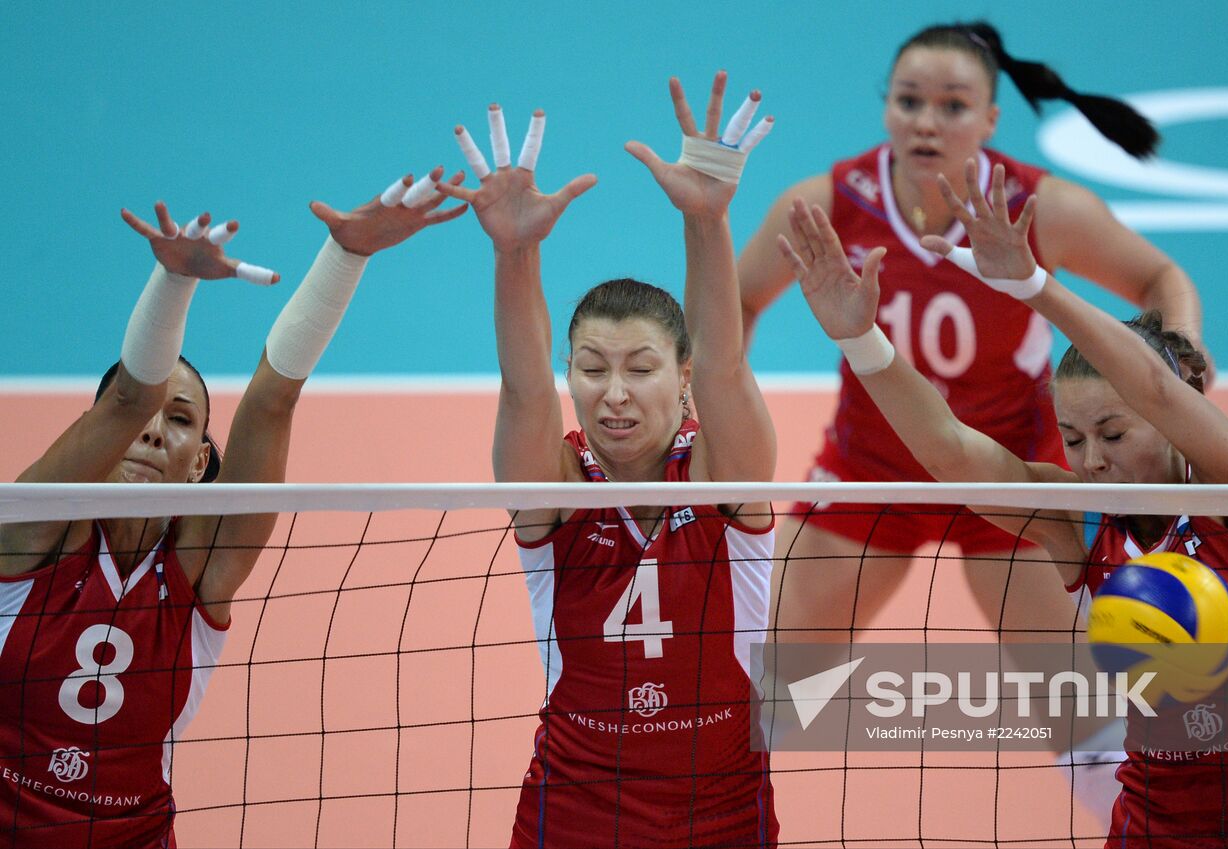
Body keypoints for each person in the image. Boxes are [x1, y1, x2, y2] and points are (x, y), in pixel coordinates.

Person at [779, 157, 1228, 847]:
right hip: (1157, 828)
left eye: (1114, 433)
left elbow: (1152, 384)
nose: (1091, 460)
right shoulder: (1081, 527)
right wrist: (860, 337)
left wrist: (1032, 285)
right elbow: (949, 451)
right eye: (1073, 438)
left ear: (1171, 418)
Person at [0, 173, 467, 848]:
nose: (157, 431)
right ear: (93, 435)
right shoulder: (29, 536)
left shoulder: (200, 575)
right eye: (143, 417)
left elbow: (271, 402)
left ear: (199, 464)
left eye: (183, 420)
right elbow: (130, 398)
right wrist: (175, 281)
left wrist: (346, 255)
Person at [437, 75, 779, 848]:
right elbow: (524, 390)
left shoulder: (726, 474)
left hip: (723, 813)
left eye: (641, 368)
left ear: (681, 375)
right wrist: (516, 251)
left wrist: (707, 222)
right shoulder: (554, 488)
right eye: (592, 368)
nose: (614, 394)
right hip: (575, 811)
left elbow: (727, 366)